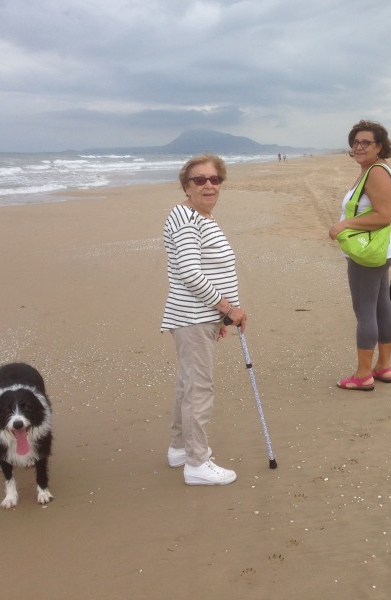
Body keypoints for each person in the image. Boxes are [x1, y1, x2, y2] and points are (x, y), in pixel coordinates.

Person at [160, 155, 248, 485]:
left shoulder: (199, 216)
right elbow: (191, 273)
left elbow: (207, 270)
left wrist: (218, 318)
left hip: (199, 317)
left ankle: (180, 449)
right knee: (199, 389)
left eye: (215, 179)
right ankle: (197, 463)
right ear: (186, 186)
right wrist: (227, 309)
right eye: (199, 180)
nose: (208, 185)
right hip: (193, 318)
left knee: (188, 384)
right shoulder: (186, 219)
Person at [328, 120, 391, 391]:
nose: (359, 147)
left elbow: (384, 215)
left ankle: (363, 374)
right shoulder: (371, 170)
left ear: (379, 145)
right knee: (381, 306)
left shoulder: (377, 172)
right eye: (355, 142)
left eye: (365, 142)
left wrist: (344, 224)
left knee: (365, 310)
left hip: (368, 254)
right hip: (381, 250)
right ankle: (383, 367)